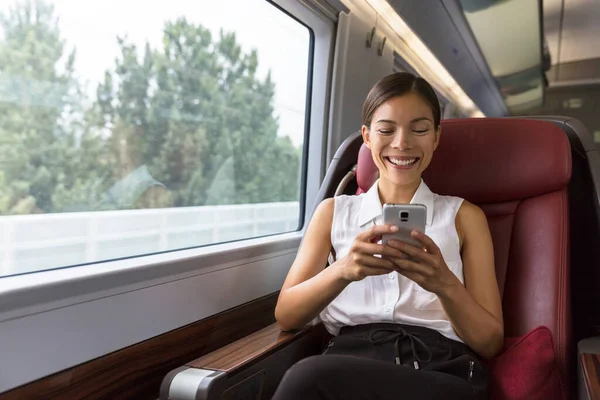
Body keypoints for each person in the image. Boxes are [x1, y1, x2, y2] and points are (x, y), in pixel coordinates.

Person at [271, 72, 503, 400]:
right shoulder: (332, 213)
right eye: (386, 129)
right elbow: (287, 315)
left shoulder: (465, 217)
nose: (402, 143)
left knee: (309, 377)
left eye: (420, 129)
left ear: (436, 137)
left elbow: (491, 342)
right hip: (349, 365)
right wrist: (343, 270)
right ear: (367, 136)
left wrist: (444, 283)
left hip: (439, 372)